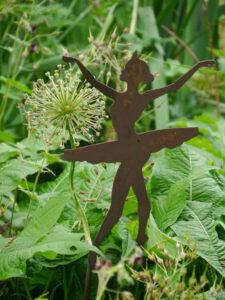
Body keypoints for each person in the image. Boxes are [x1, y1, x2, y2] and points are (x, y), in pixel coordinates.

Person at [63, 52, 214, 300]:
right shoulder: (119, 95)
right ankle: (138, 240)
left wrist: (198, 65)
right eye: (132, 69)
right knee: (138, 204)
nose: (132, 74)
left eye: (135, 70)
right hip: (130, 148)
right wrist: (78, 63)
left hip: (135, 148)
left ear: (138, 76)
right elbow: (92, 81)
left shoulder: (143, 98)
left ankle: (98, 250)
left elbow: (176, 85)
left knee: (117, 211)